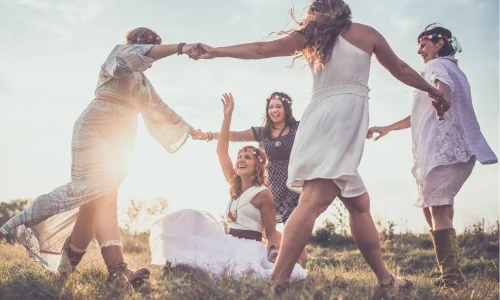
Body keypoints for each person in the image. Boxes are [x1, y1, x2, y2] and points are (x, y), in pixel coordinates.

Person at [191, 0, 449, 288]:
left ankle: (386, 280)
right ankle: (278, 281)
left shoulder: (312, 39)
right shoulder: (365, 34)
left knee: (359, 205)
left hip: (318, 121)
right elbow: (400, 69)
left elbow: (259, 49)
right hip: (340, 123)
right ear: (343, 8)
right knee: (313, 200)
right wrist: (433, 92)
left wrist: (215, 51)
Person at [0, 27, 209, 290]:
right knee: (92, 190)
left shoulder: (144, 84)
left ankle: (70, 270)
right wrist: (181, 48)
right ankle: (113, 267)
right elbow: (134, 57)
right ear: (138, 46)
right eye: (152, 49)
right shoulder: (119, 55)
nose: (152, 58)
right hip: (94, 129)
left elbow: (161, 111)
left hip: (121, 140)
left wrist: (191, 131)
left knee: (96, 202)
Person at [366, 24, 498, 288]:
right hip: (444, 151)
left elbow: (442, 90)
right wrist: (389, 128)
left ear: (439, 44)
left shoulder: (438, 66)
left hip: (444, 150)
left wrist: (442, 100)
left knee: (439, 211)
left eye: (423, 45)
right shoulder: (451, 68)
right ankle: (449, 273)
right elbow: (420, 113)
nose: (419, 51)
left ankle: (452, 278)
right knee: (431, 210)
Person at [149, 93, 306, 280]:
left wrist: (272, 250)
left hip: (249, 248)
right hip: (227, 242)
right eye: (239, 156)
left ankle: (299, 261)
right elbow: (221, 151)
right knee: (192, 219)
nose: (240, 160)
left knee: (239, 273)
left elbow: (271, 233)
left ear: (257, 166)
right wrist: (227, 117)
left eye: (247, 157)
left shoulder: (263, 194)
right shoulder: (234, 183)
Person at [198, 92, 307, 267]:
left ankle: (301, 267)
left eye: (278, 106)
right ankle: (282, 257)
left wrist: (358, 133)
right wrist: (213, 131)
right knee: (262, 227)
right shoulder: (262, 133)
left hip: (291, 186)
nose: (274, 110)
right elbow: (227, 143)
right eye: (271, 106)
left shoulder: (298, 128)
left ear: (286, 108)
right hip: (271, 185)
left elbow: (322, 132)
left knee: (294, 232)